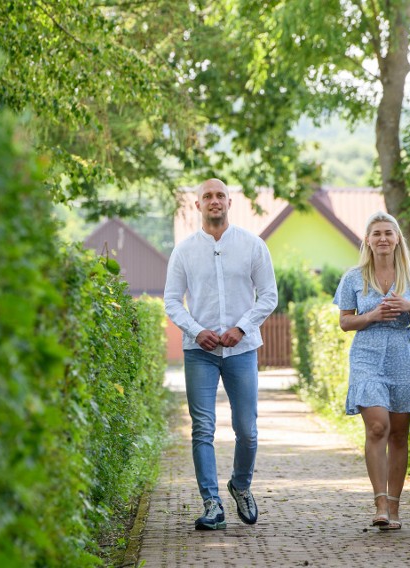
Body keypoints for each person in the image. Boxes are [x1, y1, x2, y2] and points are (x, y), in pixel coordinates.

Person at [164, 178, 278, 530]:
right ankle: (212, 503)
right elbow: (171, 301)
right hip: (199, 352)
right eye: (207, 196)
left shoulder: (253, 246)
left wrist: (241, 328)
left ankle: (240, 485)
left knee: (247, 430)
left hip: (242, 350)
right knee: (202, 429)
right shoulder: (183, 251)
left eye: (220, 196)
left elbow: (269, 296)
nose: (214, 201)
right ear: (197, 206)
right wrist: (197, 331)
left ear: (230, 202)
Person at [332, 211, 410, 531]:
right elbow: (345, 321)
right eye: (376, 233)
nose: (383, 238)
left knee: (400, 434)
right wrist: (373, 315)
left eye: (388, 233)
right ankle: (379, 502)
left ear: (397, 238)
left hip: (403, 355)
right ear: (367, 240)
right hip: (367, 354)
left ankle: (394, 506)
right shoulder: (353, 278)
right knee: (378, 427)